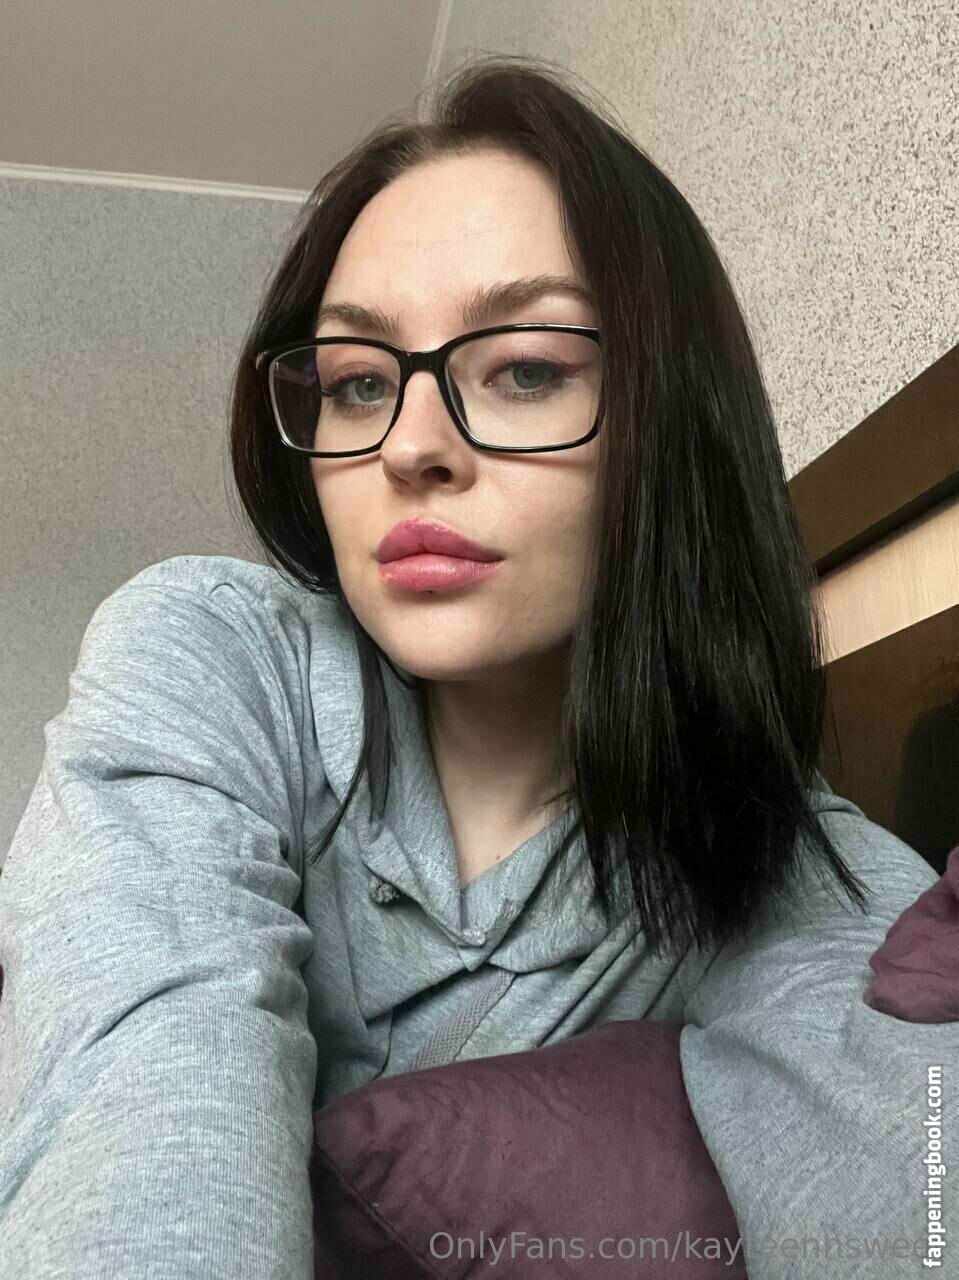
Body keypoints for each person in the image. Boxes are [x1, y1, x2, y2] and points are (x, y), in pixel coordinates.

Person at [0, 53, 952, 1280]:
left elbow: (903, 1198)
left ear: (670, 421)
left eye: (525, 369)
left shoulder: (783, 866)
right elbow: (144, 1074)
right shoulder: (213, 652)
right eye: (356, 383)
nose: (409, 448)